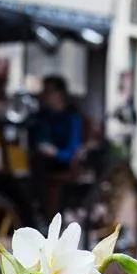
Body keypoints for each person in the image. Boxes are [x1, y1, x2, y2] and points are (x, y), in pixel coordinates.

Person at [30, 75, 85, 219]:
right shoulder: (41, 117)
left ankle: (49, 217)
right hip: (38, 164)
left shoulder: (72, 118)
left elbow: (73, 150)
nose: (44, 96)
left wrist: (55, 153)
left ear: (59, 94)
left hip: (62, 166)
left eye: (48, 92)